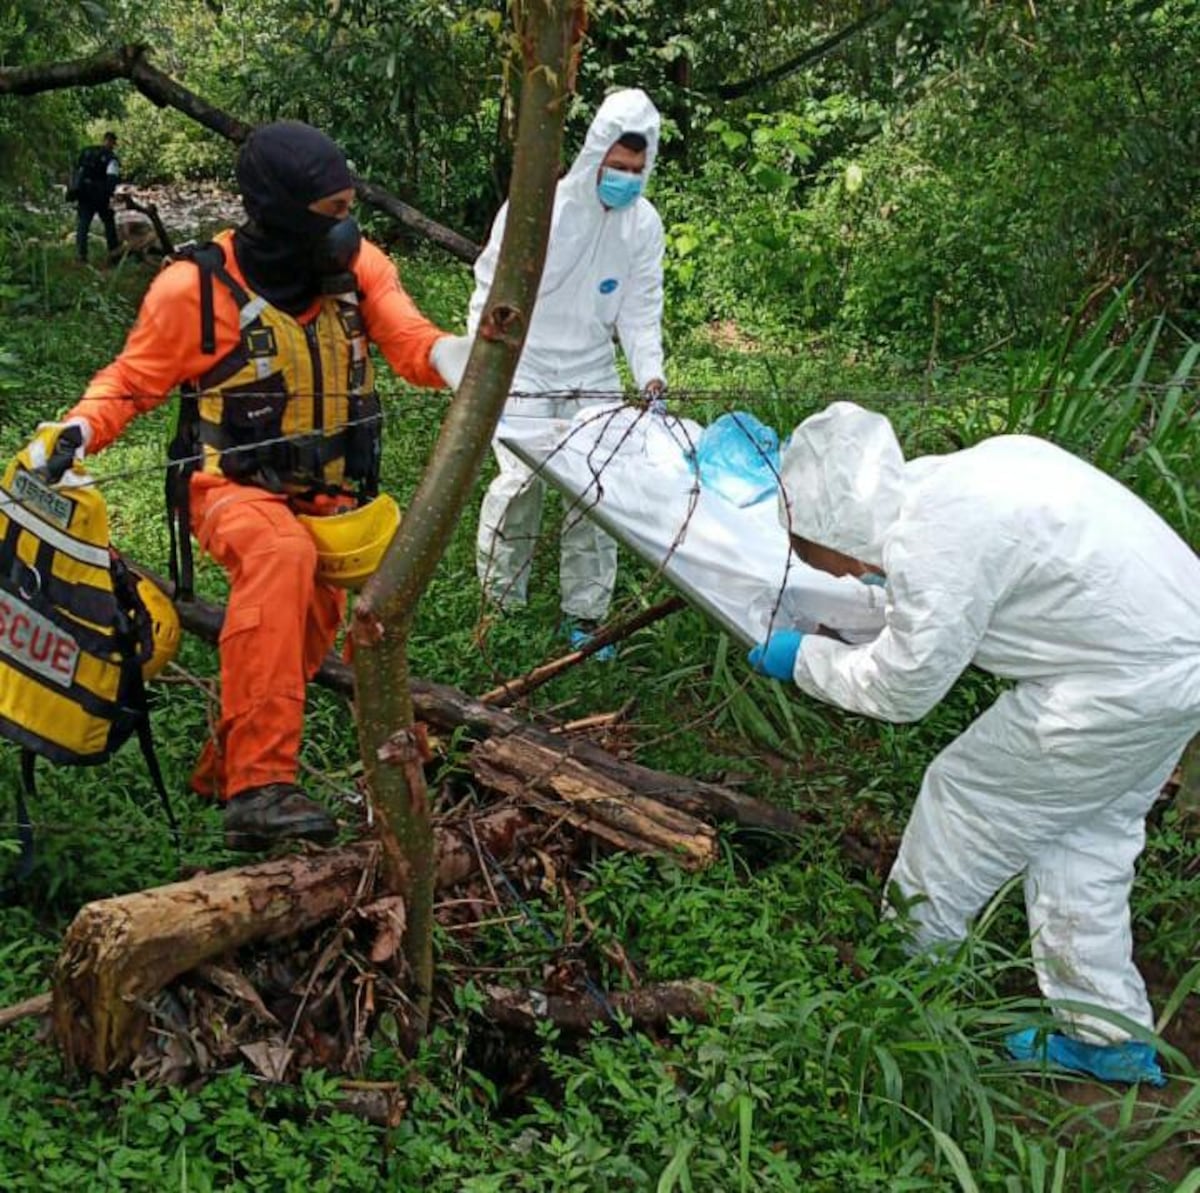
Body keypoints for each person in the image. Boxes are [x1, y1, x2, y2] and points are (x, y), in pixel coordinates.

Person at [29, 121, 468, 849]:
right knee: (278, 558)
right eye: (330, 213)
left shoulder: (358, 268)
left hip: (329, 500)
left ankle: (221, 773)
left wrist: (453, 356)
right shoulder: (196, 289)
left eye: (349, 207)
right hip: (228, 489)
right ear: (284, 214)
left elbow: (408, 337)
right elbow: (130, 382)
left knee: (291, 639)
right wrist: (77, 430)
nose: (345, 226)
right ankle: (262, 786)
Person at [750, 401, 1200, 1085]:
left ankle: (904, 982)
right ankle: (1109, 1038)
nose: (843, 575)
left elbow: (903, 687)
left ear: (835, 525)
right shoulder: (947, 487)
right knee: (1083, 833)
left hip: (1119, 684)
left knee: (965, 798)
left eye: (825, 559)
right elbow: (939, 603)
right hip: (1172, 660)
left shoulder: (934, 540)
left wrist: (802, 660)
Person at [470, 88, 667, 653]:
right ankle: (502, 600)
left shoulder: (643, 226)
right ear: (595, 154)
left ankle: (584, 614)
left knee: (597, 486)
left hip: (591, 366)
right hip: (525, 364)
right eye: (616, 166)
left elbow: (640, 307)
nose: (625, 178)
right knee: (519, 481)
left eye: (636, 169)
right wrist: (484, 365)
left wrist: (649, 374)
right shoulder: (540, 209)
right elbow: (491, 284)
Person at [70, 130, 121, 264]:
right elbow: (112, 180)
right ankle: (114, 254)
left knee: (83, 224)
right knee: (109, 223)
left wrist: (74, 190)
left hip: (83, 194)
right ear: (113, 143)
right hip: (100, 196)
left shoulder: (87, 152)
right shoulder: (111, 159)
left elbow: (76, 171)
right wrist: (110, 196)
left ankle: (81, 256)